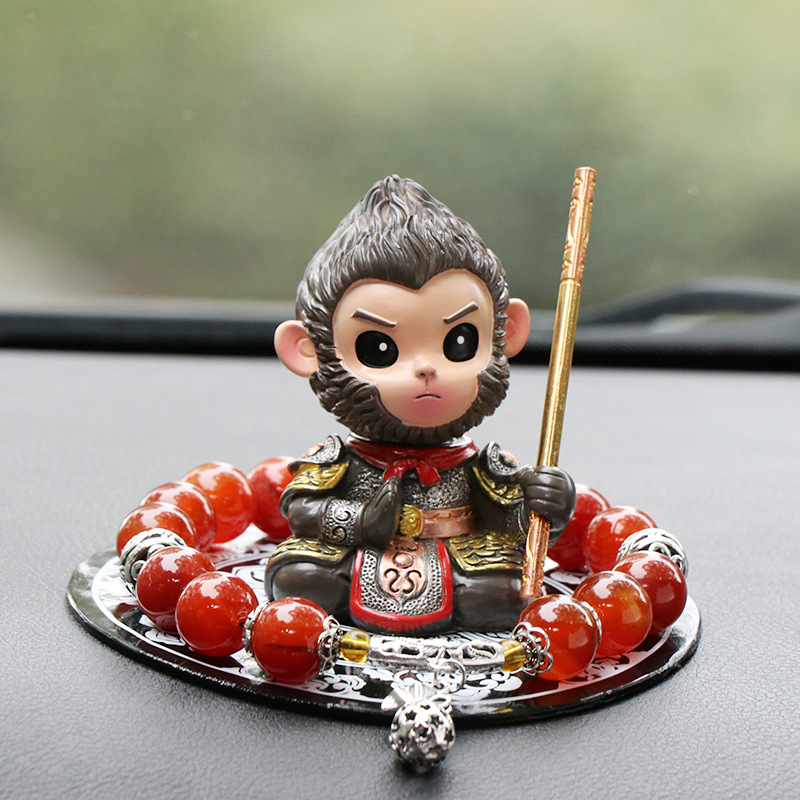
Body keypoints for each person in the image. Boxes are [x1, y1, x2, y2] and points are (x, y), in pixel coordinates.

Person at [265, 175, 574, 633]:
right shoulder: (338, 460)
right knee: (300, 578)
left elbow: (512, 524)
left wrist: (547, 504)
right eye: (379, 349)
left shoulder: (480, 466)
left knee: (511, 591)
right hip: (361, 552)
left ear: (507, 332)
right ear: (307, 351)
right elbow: (302, 510)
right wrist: (361, 520)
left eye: (459, 342)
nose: (426, 368)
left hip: (458, 554)